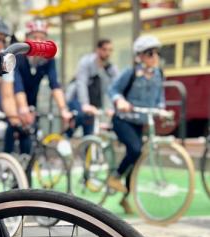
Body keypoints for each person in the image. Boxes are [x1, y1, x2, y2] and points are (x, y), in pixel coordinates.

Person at [108, 35, 165, 213]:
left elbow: (159, 97)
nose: (154, 56)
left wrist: (161, 109)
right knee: (135, 149)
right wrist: (120, 102)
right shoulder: (130, 72)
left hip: (141, 122)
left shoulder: (158, 74)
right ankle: (114, 177)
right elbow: (113, 90)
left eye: (156, 52)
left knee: (136, 159)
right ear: (139, 55)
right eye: (150, 53)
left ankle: (125, 198)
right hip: (123, 120)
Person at [4, 19, 71, 154]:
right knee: (13, 127)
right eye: (35, 37)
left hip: (31, 101)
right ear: (26, 39)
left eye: (42, 38)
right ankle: (6, 162)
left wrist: (63, 109)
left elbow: (55, 84)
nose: (39, 41)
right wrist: (22, 108)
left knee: (29, 138)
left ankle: (25, 169)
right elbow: (17, 85)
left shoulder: (48, 60)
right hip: (12, 98)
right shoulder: (17, 56)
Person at [66, 39, 118, 137]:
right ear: (98, 50)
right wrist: (85, 104)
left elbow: (114, 88)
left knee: (90, 133)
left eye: (110, 50)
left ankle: (86, 148)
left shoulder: (111, 68)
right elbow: (81, 83)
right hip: (77, 98)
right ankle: (65, 137)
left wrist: (112, 108)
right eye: (105, 49)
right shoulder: (86, 62)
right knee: (81, 116)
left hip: (93, 102)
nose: (108, 53)